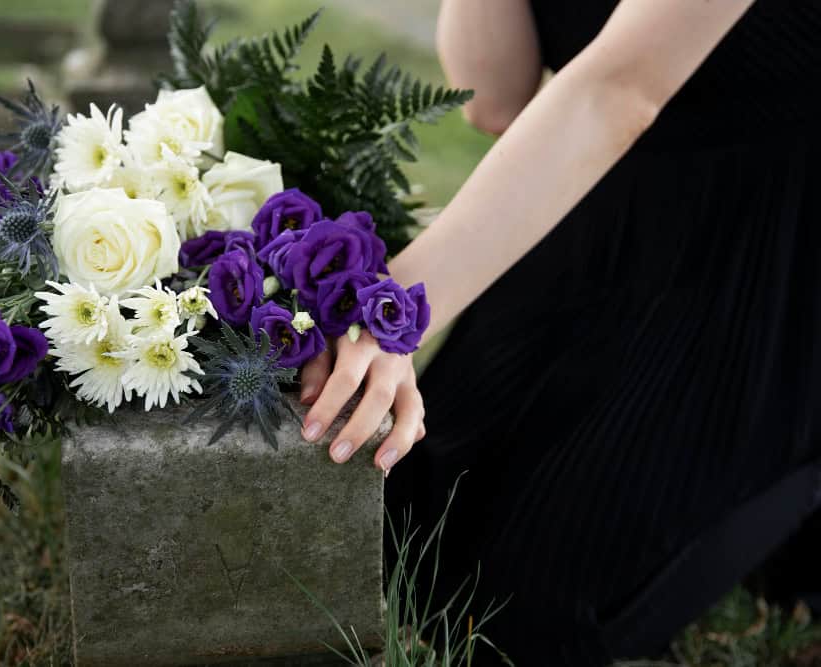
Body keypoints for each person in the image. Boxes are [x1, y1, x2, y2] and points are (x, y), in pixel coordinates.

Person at [297, 0, 821, 663]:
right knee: (420, 535)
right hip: (604, 218)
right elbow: (493, 97)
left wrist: (389, 309)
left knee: (532, 600)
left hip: (767, 254)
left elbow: (617, 90)